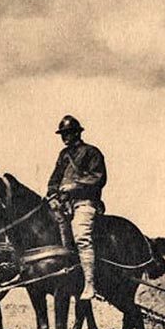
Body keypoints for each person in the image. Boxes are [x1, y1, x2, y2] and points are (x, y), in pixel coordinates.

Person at [46, 114, 107, 300]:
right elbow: (54, 180)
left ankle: (90, 284)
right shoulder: (63, 155)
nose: (65, 137)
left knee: (81, 237)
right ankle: (68, 277)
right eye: (63, 134)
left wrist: (75, 186)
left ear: (77, 133)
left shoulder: (92, 152)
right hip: (64, 205)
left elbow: (98, 177)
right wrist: (52, 195)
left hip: (85, 203)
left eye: (68, 133)